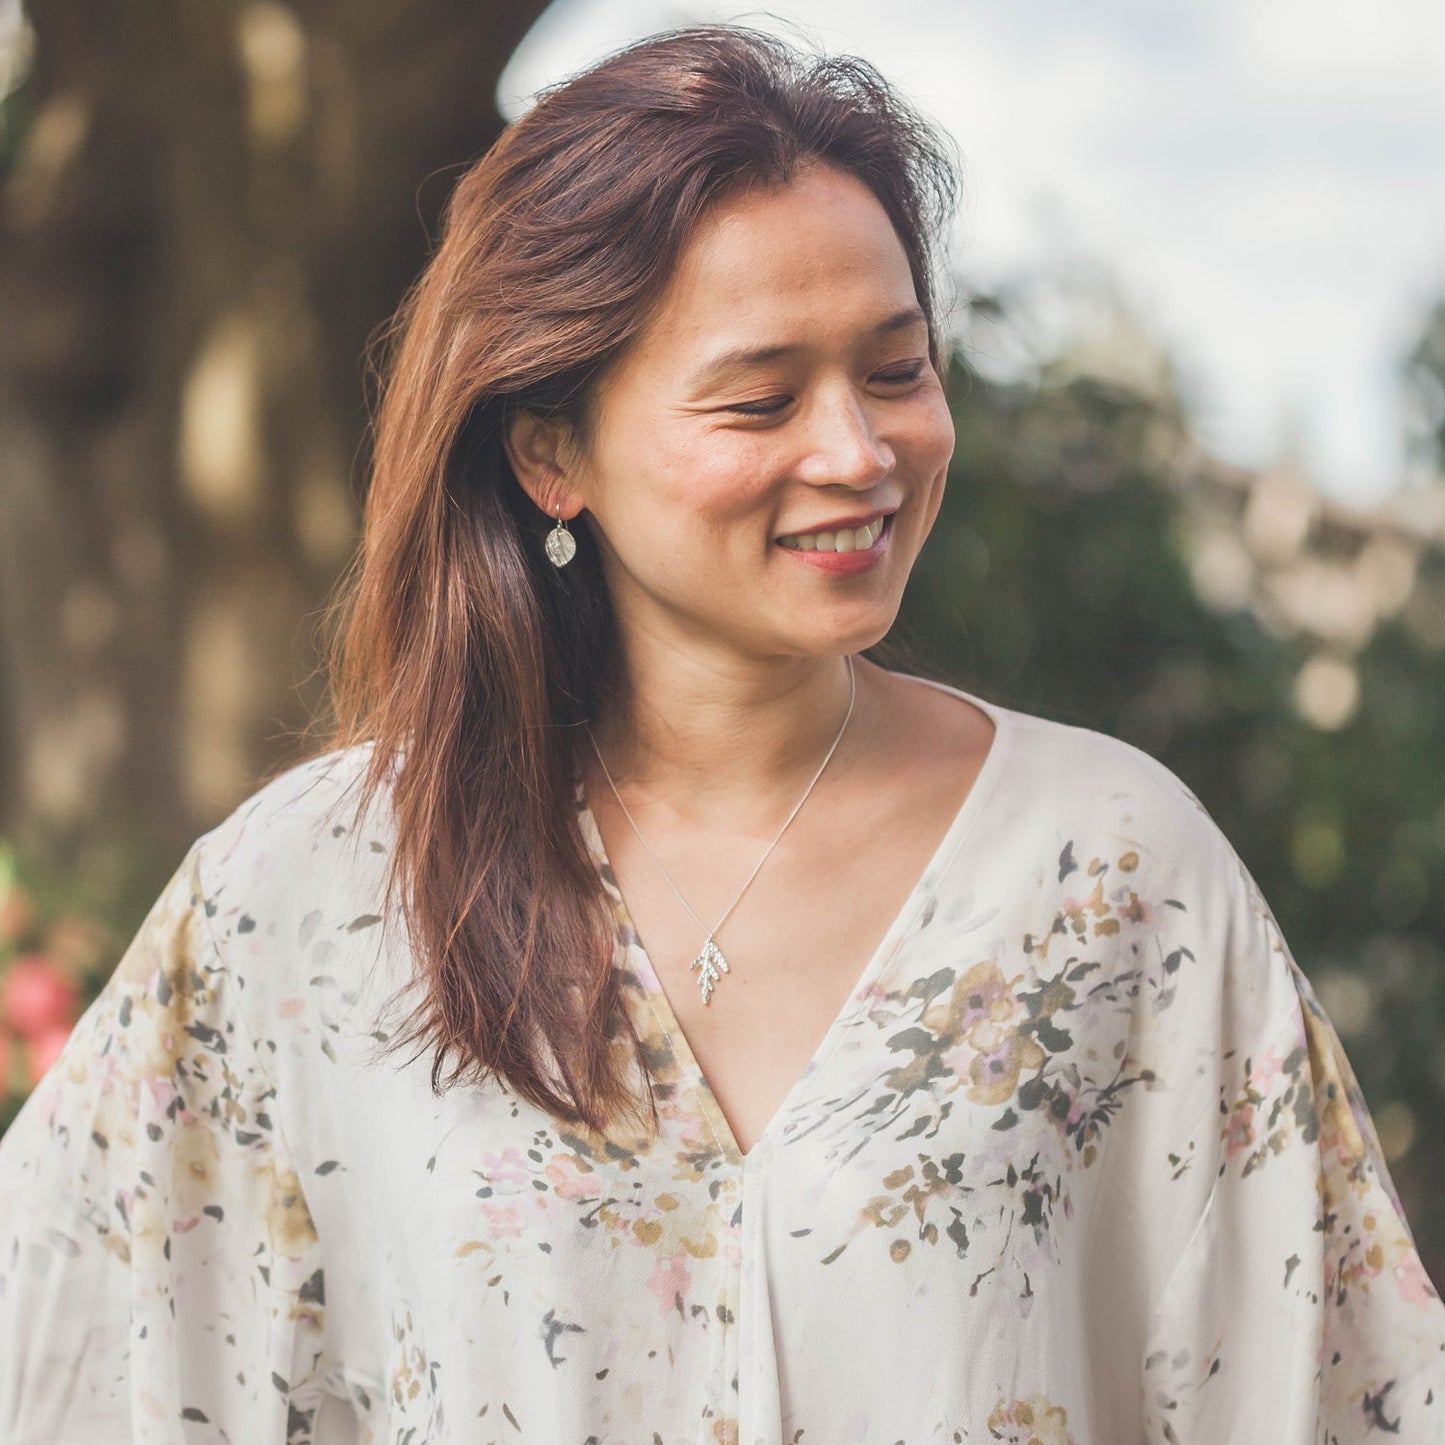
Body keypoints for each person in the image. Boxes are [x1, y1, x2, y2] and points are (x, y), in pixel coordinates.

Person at [2, 22, 1443, 1445]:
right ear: (549, 451)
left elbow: (1336, 1385)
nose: (858, 453)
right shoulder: (303, 899)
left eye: (894, 369)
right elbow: (62, 1351)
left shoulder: (1113, 875)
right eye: (761, 396)